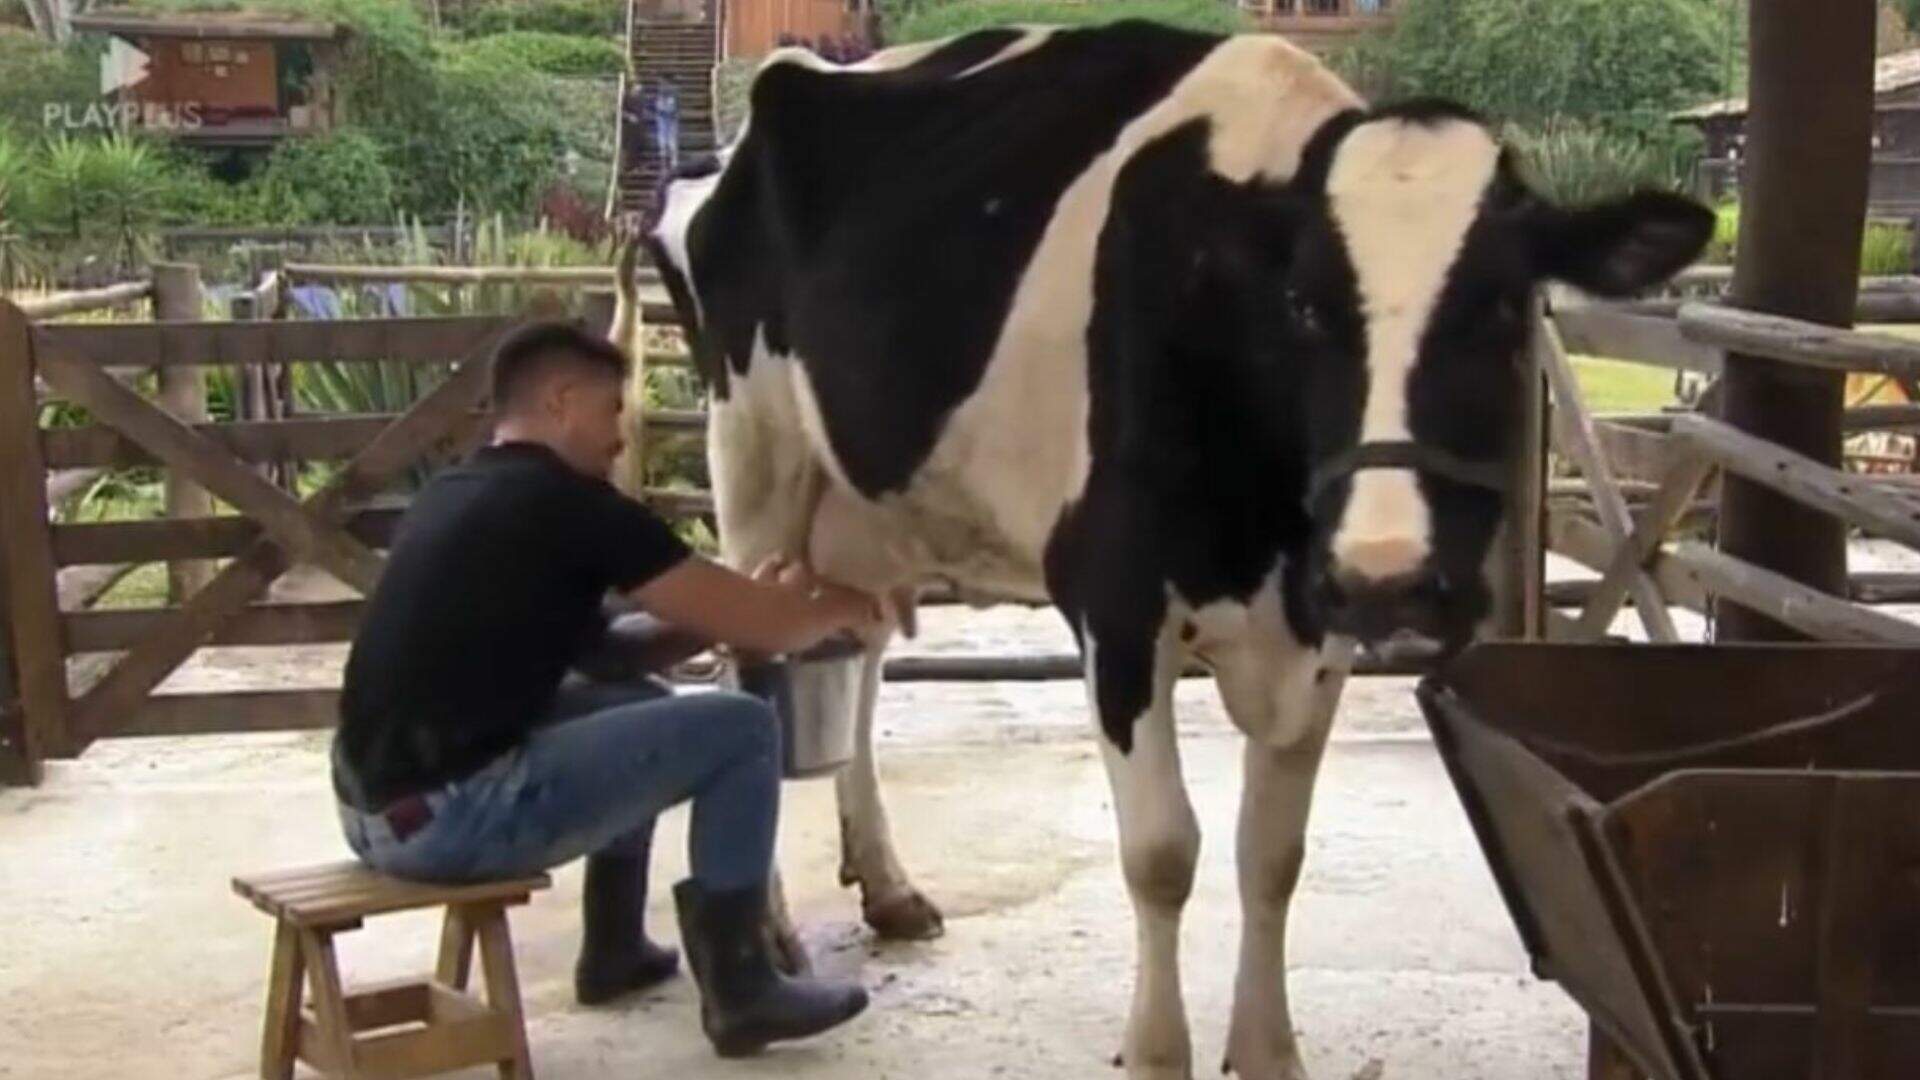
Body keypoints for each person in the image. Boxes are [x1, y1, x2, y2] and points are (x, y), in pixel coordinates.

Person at [331, 321, 877, 1057]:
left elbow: (608, 657)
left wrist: (730, 614)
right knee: (744, 727)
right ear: (560, 401)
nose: (622, 436)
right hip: (453, 822)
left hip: (374, 812)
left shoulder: (461, 490)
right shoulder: (574, 507)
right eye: (613, 409)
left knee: (642, 700)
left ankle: (614, 949)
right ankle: (745, 988)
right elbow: (776, 632)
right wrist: (852, 603)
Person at [652, 78, 680, 176]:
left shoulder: (673, 95)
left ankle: (673, 162)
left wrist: (671, 113)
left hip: (671, 120)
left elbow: (675, 108)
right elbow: (657, 108)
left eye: (665, 85)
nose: (663, 87)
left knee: (671, 141)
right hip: (662, 120)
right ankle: (664, 164)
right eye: (662, 85)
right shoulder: (659, 96)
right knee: (663, 141)